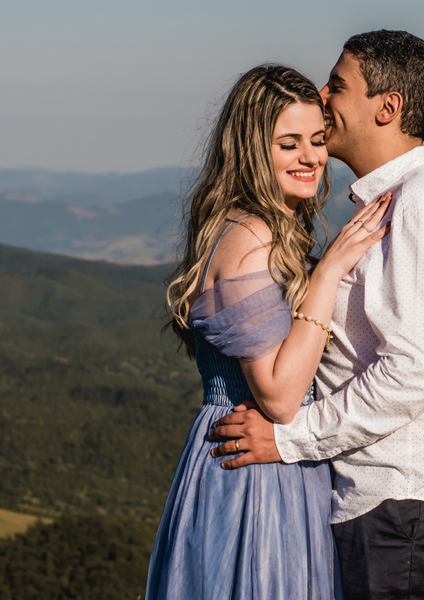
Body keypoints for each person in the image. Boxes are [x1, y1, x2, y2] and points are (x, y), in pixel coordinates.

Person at [209, 31, 424, 600]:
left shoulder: (422, 205)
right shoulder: (393, 204)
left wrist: (291, 440)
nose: (323, 95)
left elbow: (416, 369)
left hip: (407, 499)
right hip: (390, 503)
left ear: (387, 107)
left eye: (338, 85)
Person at [146, 64, 392, 600]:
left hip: (274, 460)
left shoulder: (267, 226)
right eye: (289, 144)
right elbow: (279, 397)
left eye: (317, 139)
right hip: (249, 465)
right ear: (253, 149)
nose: (310, 157)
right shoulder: (251, 234)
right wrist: (328, 273)